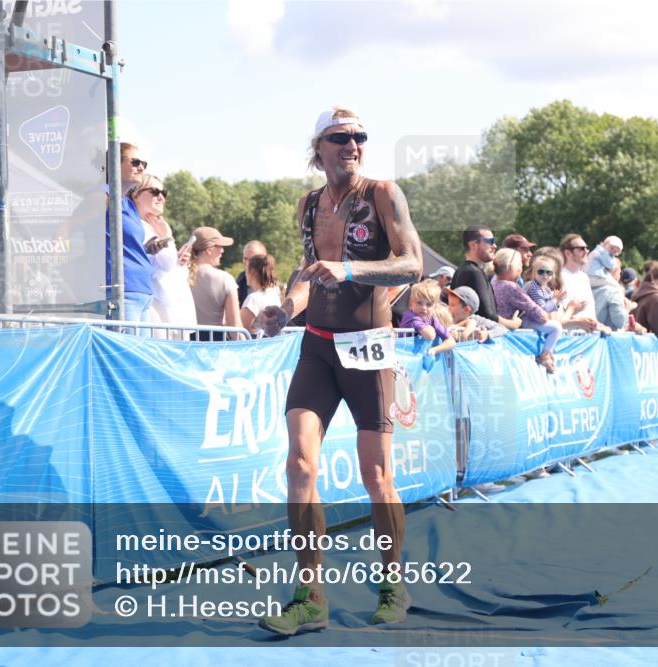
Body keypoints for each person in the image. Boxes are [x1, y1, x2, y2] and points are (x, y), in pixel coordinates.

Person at [258, 107, 423, 636]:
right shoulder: (308, 205)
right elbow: (308, 274)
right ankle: (311, 596)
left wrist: (350, 269)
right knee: (300, 466)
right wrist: (285, 308)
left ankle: (393, 583)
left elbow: (413, 262)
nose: (352, 144)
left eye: (359, 137)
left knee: (377, 475)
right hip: (318, 347)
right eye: (340, 137)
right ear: (319, 147)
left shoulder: (383, 193)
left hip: (368, 347)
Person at [129, 174, 196, 338]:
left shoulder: (154, 227)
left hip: (168, 311)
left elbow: (168, 267)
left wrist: (179, 263)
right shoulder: (138, 226)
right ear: (136, 195)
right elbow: (166, 263)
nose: (161, 197)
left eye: (163, 193)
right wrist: (168, 237)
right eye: (154, 191)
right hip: (156, 310)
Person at [492, 248, 563, 373]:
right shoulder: (511, 286)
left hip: (502, 334)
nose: (521, 268)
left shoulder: (494, 284)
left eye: (549, 273)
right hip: (508, 335)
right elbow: (540, 315)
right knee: (556, 327)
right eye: (519, 264)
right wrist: (555, 302)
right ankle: (545, 355)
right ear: (511, 267)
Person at [106, 142, 154, 323]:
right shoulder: (103, 196)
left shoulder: (128, 203)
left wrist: (145, 249)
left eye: (143, 164)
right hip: (123, 292)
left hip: (142, 292)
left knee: (138, 350)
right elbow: (69, 227)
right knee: (126, 350)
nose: (141, 167)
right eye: (135, 162)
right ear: (114, 163)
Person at [451, 226, 521, 329]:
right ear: (473, 245)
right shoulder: (473, 272)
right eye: (490, 241)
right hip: (477, 340)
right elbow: (486, 315)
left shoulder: (464, 270)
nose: (495, 246)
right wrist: (513, 324)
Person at [188, 226, 242, 341]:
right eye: (220, 246)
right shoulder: (225, 279)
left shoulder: (179, 275)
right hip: (215, 345)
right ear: (209, 250)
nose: (223, 250)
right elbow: (234, 325)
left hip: (186, 344)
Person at [558, 234, 604, 333]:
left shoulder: (584, 277)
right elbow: (558, 316)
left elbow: (590, 312)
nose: (587, 251)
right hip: (567, 339)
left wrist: (600, 326)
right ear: (568, 253)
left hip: (588, 338)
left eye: (587, 248)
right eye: (581, 249)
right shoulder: (558, 277)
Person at [400, 280, 456, 356]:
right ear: (411, 302)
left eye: (429, 304)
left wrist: (434, 350)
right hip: (405, 357)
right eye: (419, 303)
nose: (423, 307)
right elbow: (430, 335)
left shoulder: (432, 318)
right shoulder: (410, 317)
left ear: (435, 307)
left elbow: (451, 342)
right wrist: (434, 329)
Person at [239, 254, 282, 336]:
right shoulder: (274, 294)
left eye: (246, 270)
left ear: (252, 271)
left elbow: (240, 329)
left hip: (255, 346)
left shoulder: (253, 299)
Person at [236, 239, 268, 306]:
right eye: (245, 259)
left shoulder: (272, 285)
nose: (248, 263)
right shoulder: (241, 281)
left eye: (252, 259)